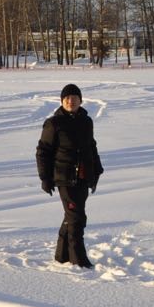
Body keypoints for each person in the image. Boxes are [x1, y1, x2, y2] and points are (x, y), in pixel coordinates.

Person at [36, 83, 104, 268]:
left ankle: (61, 255)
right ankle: (79, 260)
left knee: (71, 216)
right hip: (64, 177)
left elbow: (91, 147)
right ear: (61, 101)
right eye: (67, 98)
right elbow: (43, 151)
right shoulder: (54, 123)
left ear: (80, 101)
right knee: (77, 218)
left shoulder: (86, 121)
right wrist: (45, 178)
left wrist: (97, 170)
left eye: (74, 98)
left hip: (83, 177)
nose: (70, 101)